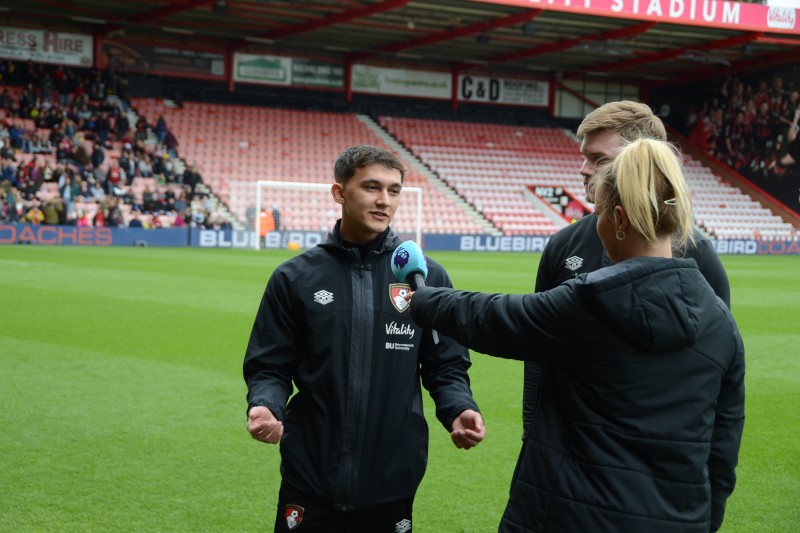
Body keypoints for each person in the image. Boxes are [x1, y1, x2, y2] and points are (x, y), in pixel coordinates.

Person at [405, 138, 745, 532]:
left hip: (574, 513)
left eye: (599, 213)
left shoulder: (592, 301)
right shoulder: (722, 321)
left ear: (619, 219)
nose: (595, 224)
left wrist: (423, 299)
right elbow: (723, 445)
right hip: (675, 518)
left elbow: (495, 318)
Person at [243, 145, 485, 533]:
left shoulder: (427, 278)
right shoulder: (295, 277)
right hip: (310, 474)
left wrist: (458, 407)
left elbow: (446, 364)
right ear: (340, 193)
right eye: (372, 187)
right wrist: (266, 404)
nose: (384, 200)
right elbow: (269, 365)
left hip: (393, 473)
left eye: (393, 190)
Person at [523, 101, 730, 440]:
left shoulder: (697, 254)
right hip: (568, 447)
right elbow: (538, 353)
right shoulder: (563, 246)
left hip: (657, 450)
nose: (583, 169)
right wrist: (533, 432)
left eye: (599, 159)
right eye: (584, 156)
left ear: (641, 163)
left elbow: (716, 365)